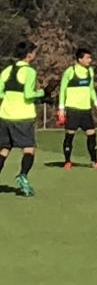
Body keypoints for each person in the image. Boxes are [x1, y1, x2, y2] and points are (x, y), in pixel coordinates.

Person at [0, 40, 43, 197]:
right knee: (29, 149)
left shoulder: (7, 70)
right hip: (23, 116)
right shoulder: (29, 72)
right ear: (29, 55)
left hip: (5, 115)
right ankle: (23, 176)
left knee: (4, 149)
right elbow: (28, 94)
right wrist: (42, 93)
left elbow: (0, 93)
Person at [58, 48, 97, 169]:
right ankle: (67, 161)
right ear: (80, 59)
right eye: (87, 58)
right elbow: (62, 90)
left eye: (90, 58)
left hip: (86, 110)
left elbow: (91, 89)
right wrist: (61, 109)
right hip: (73, 109)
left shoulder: (90, 71)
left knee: (92, 134)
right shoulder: (70, 71)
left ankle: (95, 162)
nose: (90, 60)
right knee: (70, 135)